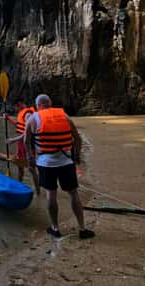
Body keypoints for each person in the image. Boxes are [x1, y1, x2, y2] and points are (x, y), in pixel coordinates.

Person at [23, 94, 95, 239]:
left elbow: (26, 141)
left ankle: (55, 228)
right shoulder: (64, 115)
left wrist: (30, 157)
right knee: (73, 193)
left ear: (38, 106)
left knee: (51, 194)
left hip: (46, 163)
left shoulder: (32, 119)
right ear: (50, 103)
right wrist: (77, 155)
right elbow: (78, 138)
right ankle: (82, 228)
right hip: (66, 162)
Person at [3, 98, 41, 191]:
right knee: (20, 166)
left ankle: (38, 191)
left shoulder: (28, 114)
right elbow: (19, 125)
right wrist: (8, 119)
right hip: (21, 143)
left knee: (31, 169)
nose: (15, 109)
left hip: (27, 143)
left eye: (15, 106)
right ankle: (19, 188)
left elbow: (29, 132)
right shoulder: (21, 113)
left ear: (19, 104)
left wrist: (13, 140)